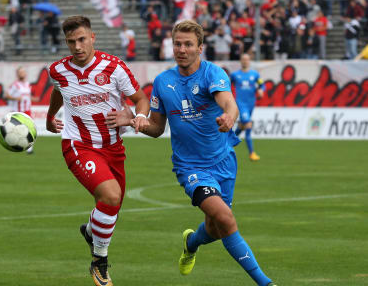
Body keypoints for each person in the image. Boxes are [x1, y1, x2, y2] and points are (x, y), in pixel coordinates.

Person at [106, 20, 276, 286]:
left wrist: (229, 118)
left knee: (216, 228)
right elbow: (157, 128)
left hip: (224, 161)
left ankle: (191, 242)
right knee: (225, 218)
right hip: (191, 168)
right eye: (177, 44)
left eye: (188, 44)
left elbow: (229, 104)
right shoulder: (163, 82)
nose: (181, 49)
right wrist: (133, 120)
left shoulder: (213, 73)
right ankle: (266, 283)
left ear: (200, 48)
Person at [46, 15, 150, 286]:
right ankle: (99, 263)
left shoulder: (114, 67)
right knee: (111, 195)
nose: (77, 46)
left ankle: (91, 231)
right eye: (71, 42)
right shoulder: (58, 70)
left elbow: (140, 99)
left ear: (92, 38)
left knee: (111, 207)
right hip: (78, 145)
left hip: (113, 148)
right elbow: (59, 89)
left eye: (82, 39)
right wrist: (50, 116)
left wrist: (138, 116)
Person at [231, 53, 264, 161]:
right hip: (241, 103)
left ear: (249, 61)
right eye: (243, 59)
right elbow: (226, 85)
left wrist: (261, 90)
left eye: (247, 59)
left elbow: (262, 85)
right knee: (248, 124)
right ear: (240, 61)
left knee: (241, 126)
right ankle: (252, 153)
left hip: (251, 103)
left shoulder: (255, 75)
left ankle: (228, 142)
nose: (245, 61)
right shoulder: (235, 75)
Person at [4, 67, 39, 154]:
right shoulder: (15, 85)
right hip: (19, 111)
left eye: (23, 72)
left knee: (30, 129)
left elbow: (27, 97)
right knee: (20, 131)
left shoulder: (27, 84)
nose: (22, 74)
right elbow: (7, 96)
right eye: (20, 72)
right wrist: (16, 98)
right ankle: (20, 147)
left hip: (27, 110)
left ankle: (29, 149)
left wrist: (33, 99)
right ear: (17, 74)